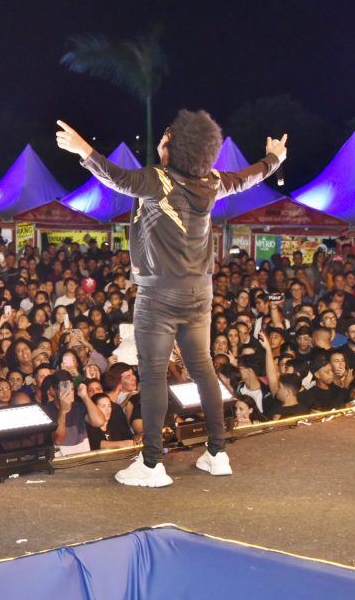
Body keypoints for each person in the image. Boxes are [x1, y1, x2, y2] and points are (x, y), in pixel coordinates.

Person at [57, 111, 287, 487]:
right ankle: (217, 453)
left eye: (167, 136)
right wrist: (275, 158)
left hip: (159, 294)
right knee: (203, 369)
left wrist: (83, 149)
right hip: (199, 293)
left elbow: (116, 178)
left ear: (173, 146)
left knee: (153, 374)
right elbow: (250, 177)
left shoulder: (158, 180)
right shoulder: (212, 182)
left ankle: (151, 464)